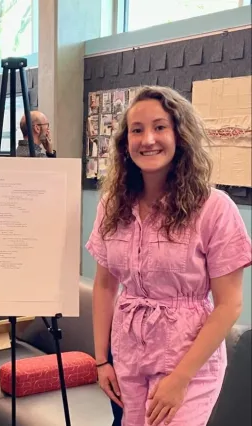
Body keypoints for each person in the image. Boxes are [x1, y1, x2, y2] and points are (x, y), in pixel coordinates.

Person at [86, 86, 251, 426]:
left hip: (187, 360)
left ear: (180, 134)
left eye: (160, 127)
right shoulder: (112, 206)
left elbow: (229, 304)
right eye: (137, 130)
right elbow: (104, 286)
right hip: (128, 356)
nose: (148, 139)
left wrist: (180, 379)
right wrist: (102, 360)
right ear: (125, 143)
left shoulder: (214, 209)